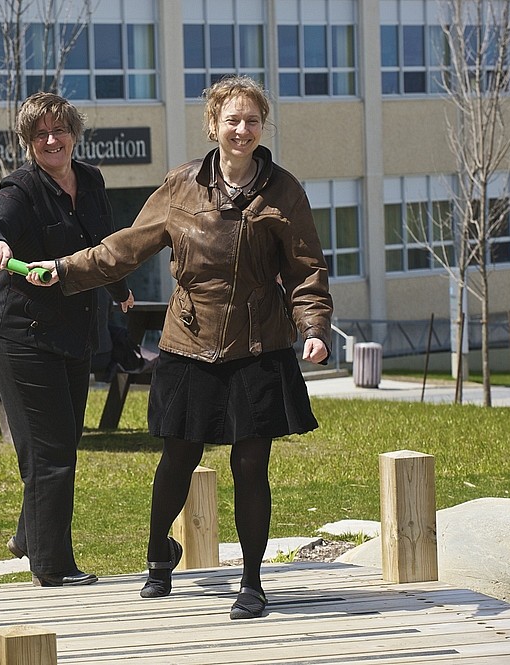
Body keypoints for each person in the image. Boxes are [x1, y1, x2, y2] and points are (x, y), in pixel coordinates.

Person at [24, 76, 333, 616]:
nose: (242, 130)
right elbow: (124, 248)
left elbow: (306, 269)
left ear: (262, 127)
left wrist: (313, 328)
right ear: (213, 126)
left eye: (252, 120)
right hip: (189, 342)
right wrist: (65, 269)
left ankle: (252, 583)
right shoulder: (181, 185)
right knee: (178, 458)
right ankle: (158, 554)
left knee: (251, 464)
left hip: (260, 345)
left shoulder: (285, 191)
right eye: (232, 120)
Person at [0, 92, 135, 587]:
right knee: (50, 453)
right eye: (39, 134)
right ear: (28, 142)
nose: (50, 140)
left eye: (58, 130)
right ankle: (53, 566)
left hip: (73, 332)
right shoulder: (21, 188)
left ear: (73, 134)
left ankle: (29, 535)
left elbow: (101, 244)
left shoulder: (91, 181)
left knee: (62, 443)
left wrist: (120, 289)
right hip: (22, 334)